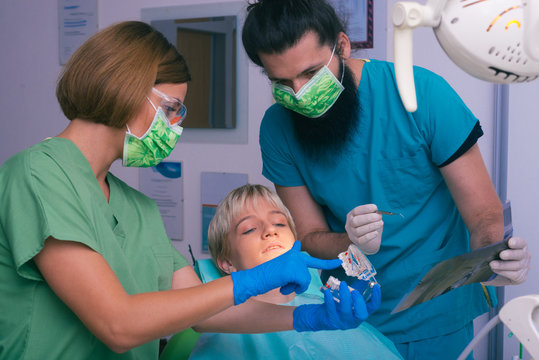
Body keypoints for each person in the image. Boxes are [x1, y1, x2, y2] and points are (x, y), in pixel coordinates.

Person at [0, 21, 377, 360]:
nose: (175, 127)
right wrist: (253, 279)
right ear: (126, 87)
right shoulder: (38, 175)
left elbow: (206, 313)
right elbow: (117, 325)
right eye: (171, 109)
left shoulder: (138, 208)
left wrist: (307, 317)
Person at [241, 0, 531, 358]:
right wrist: (349, 241)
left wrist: (494, 262)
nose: (299, 92)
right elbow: (310, 236)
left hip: (435, 317)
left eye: (311, 74)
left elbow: (483, 213)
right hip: (349, 317)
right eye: (281, 81)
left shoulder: (419, 93)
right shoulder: (277, 129)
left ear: (343, 46)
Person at [189, 184, 402, 359]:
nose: (270, 231)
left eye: (280, 223)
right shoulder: (219, 326)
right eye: (250, 229)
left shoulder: (328, 311)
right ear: (227, 263)